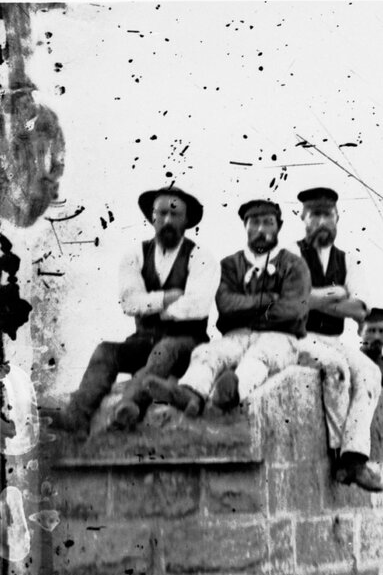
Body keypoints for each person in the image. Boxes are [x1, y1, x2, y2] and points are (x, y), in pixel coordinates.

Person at [53, 185, 213, 434]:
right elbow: (129, 302)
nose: (167, 220)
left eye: (175, 214)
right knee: (105, 351)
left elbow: (196, 306)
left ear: (187, 220)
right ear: (153, 216)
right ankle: (77, 418)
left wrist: (150, 303)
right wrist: (167, 298)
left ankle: (128, 408)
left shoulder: (201, 257)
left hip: (186, 344)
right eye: (162, 213)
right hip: (144, 341)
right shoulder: (135, 255)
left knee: (165, 350)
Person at [170, 198, 309, 423]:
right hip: (237, 335)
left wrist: (246, 308)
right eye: (254, 223)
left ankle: (228, 394)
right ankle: (191, 394)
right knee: (207, 353)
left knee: (259, 358)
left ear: (279, 227)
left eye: (268, 223)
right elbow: (225, 305)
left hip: (280, 337)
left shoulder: (294, 265)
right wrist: (268, 300)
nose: (261, 230)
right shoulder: (229, 265)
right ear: (245, 226)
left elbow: (292, 310)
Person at [291, 188, 383, 491]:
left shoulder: (349, 260)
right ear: (303, 218)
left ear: (337, 218)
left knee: (370, 373)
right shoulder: (290, 255)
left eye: (327, 215)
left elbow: (360, 309)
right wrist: (338, 294)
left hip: (333, 337)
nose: (322, 221)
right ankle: (338, 455)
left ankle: (355, 456)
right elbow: (292, 302)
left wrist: (314, 299)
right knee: (336, 369)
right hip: (298, 337)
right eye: (314, 215)